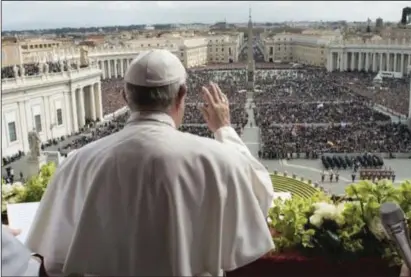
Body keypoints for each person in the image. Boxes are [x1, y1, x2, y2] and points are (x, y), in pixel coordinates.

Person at [26, 50, 275, 276]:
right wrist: (224, 130)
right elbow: (260, 198)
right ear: (181, 95)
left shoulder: (77, 163)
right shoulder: (217, 159)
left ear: (125, 96)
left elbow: (55, 262)